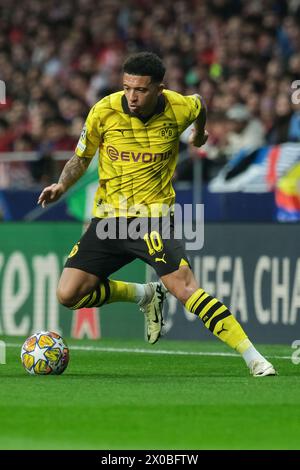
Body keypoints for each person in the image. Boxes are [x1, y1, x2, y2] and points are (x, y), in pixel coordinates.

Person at [38, 52, 276, 377]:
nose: (132, 97)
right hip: (108, 219)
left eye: (140, 90)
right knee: (68, 294)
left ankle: (254, 358)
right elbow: (81, 158)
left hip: (153, 219)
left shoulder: (179, 107)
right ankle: (144, 293)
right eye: (127, 88)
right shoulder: (103, 112)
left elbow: (199, 104)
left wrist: (199, 134)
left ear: (159, 89)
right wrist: (61, 186)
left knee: (186, 289)